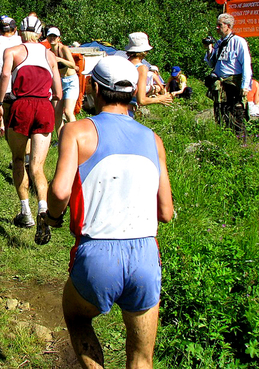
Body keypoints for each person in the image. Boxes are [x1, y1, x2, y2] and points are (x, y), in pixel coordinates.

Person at [43, 56, 174, 369]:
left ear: (95, 88)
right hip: (145, 253)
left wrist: (54, 217)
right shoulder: (153, 139)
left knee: (76, 315)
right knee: (142, 358)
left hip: (98, 252)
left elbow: (60, 192)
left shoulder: (77, 131)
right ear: (131, 93)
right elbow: (167, 212)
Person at [0, 15, 61, 244]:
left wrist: (0, 104)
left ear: (20, 32)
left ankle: (26, 212)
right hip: (44, 107)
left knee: (19, 159)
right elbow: (58, 93)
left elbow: (4, 76)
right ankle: (43, 208)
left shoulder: (13, 52)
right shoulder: (49, 55)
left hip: (22, 105)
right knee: (38, 167)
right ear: (40, 34)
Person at [204, 13, 253, 138]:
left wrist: (245, 86)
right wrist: (209, 49)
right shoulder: (219, 43)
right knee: (220, 111)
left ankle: (240, 140)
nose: (217, 28)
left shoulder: (239, 42)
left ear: (228, 26)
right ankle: (223, 137)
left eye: (219, 25)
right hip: (220, 85)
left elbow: (246, 65)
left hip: (233, 83)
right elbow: (211, 63)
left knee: (236, 112)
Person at [125, 32, 173, 115]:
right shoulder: (141, 68)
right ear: (145, 51)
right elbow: (142, 100)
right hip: (128, 111)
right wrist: (160, 99)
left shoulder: (124, 63)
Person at [46, 26, 79, 139]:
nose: (52, 39)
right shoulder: (49, 52)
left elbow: (73, 65)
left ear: (59, 38)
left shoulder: (63, 49)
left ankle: (76, 137)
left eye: (54, 36)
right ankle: (61, 139)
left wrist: (60, 60)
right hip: (58, 83)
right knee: (57, 112)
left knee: (69, 111)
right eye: (50, 36)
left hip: (70, 82)